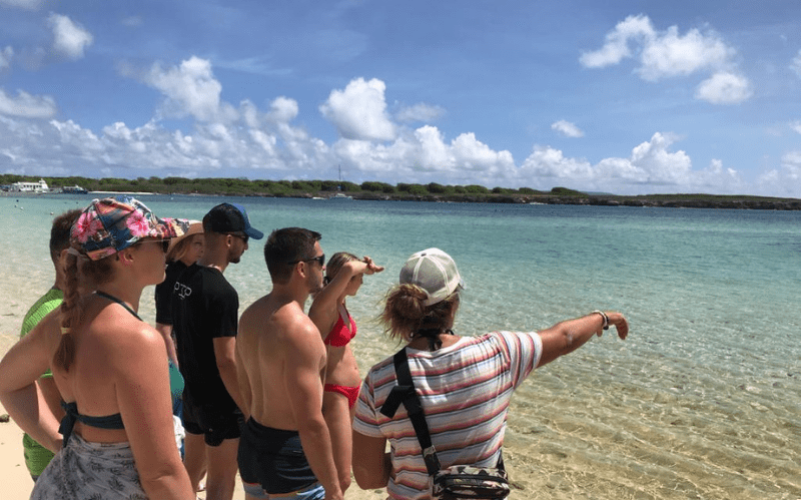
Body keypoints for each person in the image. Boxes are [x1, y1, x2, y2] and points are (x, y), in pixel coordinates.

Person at [352, 248, 629, 500]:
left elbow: (367, 477)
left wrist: (408, 462)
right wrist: (603, 317)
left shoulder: (381, 380)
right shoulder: (499, 353)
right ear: (453, 303)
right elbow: (565, 337)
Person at [0, 196, 195, 499]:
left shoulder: (62, 320)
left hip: (61, 485)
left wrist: (58, 443)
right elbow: (161, 474)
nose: (167, 248)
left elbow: (7, 382)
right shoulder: (138, 339)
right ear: (126, 256)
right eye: (159, 241)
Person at [236, 228, 343, 500]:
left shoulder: (250, 315)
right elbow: (311, 422)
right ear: (302, 269)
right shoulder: (300, 331)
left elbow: (244, 385)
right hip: (289, 457)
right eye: (321, 260)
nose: (325, 268)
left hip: (252, 442)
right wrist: (334, 489)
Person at [171, 202, 263, 500]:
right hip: (220, 404)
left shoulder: (181, 280)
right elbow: (226, 361)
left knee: (190, 473)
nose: (246, 247)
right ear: (228, 240)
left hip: (192, 396)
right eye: (244, 239)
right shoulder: (223, 293)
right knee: (221, 483)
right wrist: (249, 411)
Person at [308, 252, 383, 493]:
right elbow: (350, 266)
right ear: (346, 277)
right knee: (341, 479)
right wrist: (362, 267)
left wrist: (363, 270)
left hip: (353, 393)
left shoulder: (340, 302)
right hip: (335, 393)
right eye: (359, 277)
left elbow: (349, 269)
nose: (362, 282)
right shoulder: (324, 304)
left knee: (346, 471)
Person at [18, 208, 81, 482]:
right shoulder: (53, 313)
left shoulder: (66, 307)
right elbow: (53, 396)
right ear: (65, 257)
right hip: (55, 460)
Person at [155, 220, 204, 367]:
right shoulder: (170, 276)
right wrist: (176, 369)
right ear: (183, 245)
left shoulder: (197, 273)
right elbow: (164, 329)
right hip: (179, 356)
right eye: (198, 243)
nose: (203, 249)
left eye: (206, 244)